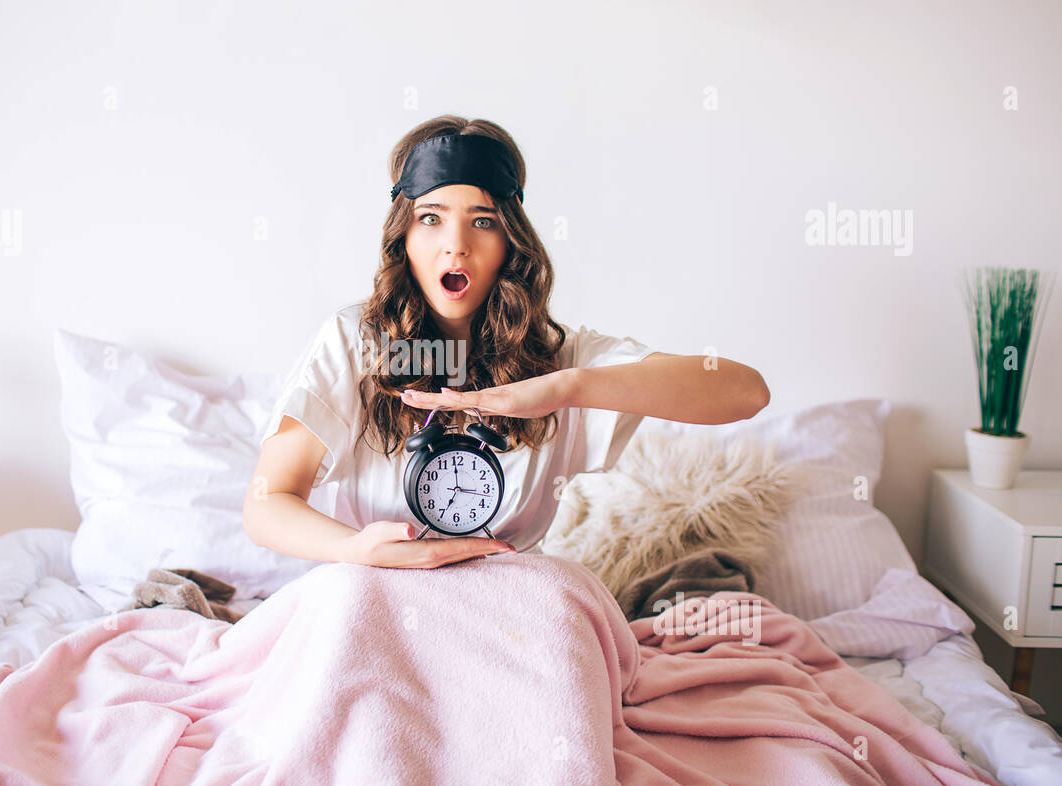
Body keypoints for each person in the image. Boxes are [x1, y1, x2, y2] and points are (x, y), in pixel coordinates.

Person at [243, 115, 769, 571]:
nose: (456, 245)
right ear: (403, 237)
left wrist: (566, 388)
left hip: (512, 604)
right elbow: (267, 505)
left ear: (510, 242)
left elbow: (746, 394)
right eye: (431, 219)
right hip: (376, 589)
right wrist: (360, 551)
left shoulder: (559, 358)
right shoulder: (357, 342)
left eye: (483, 222)